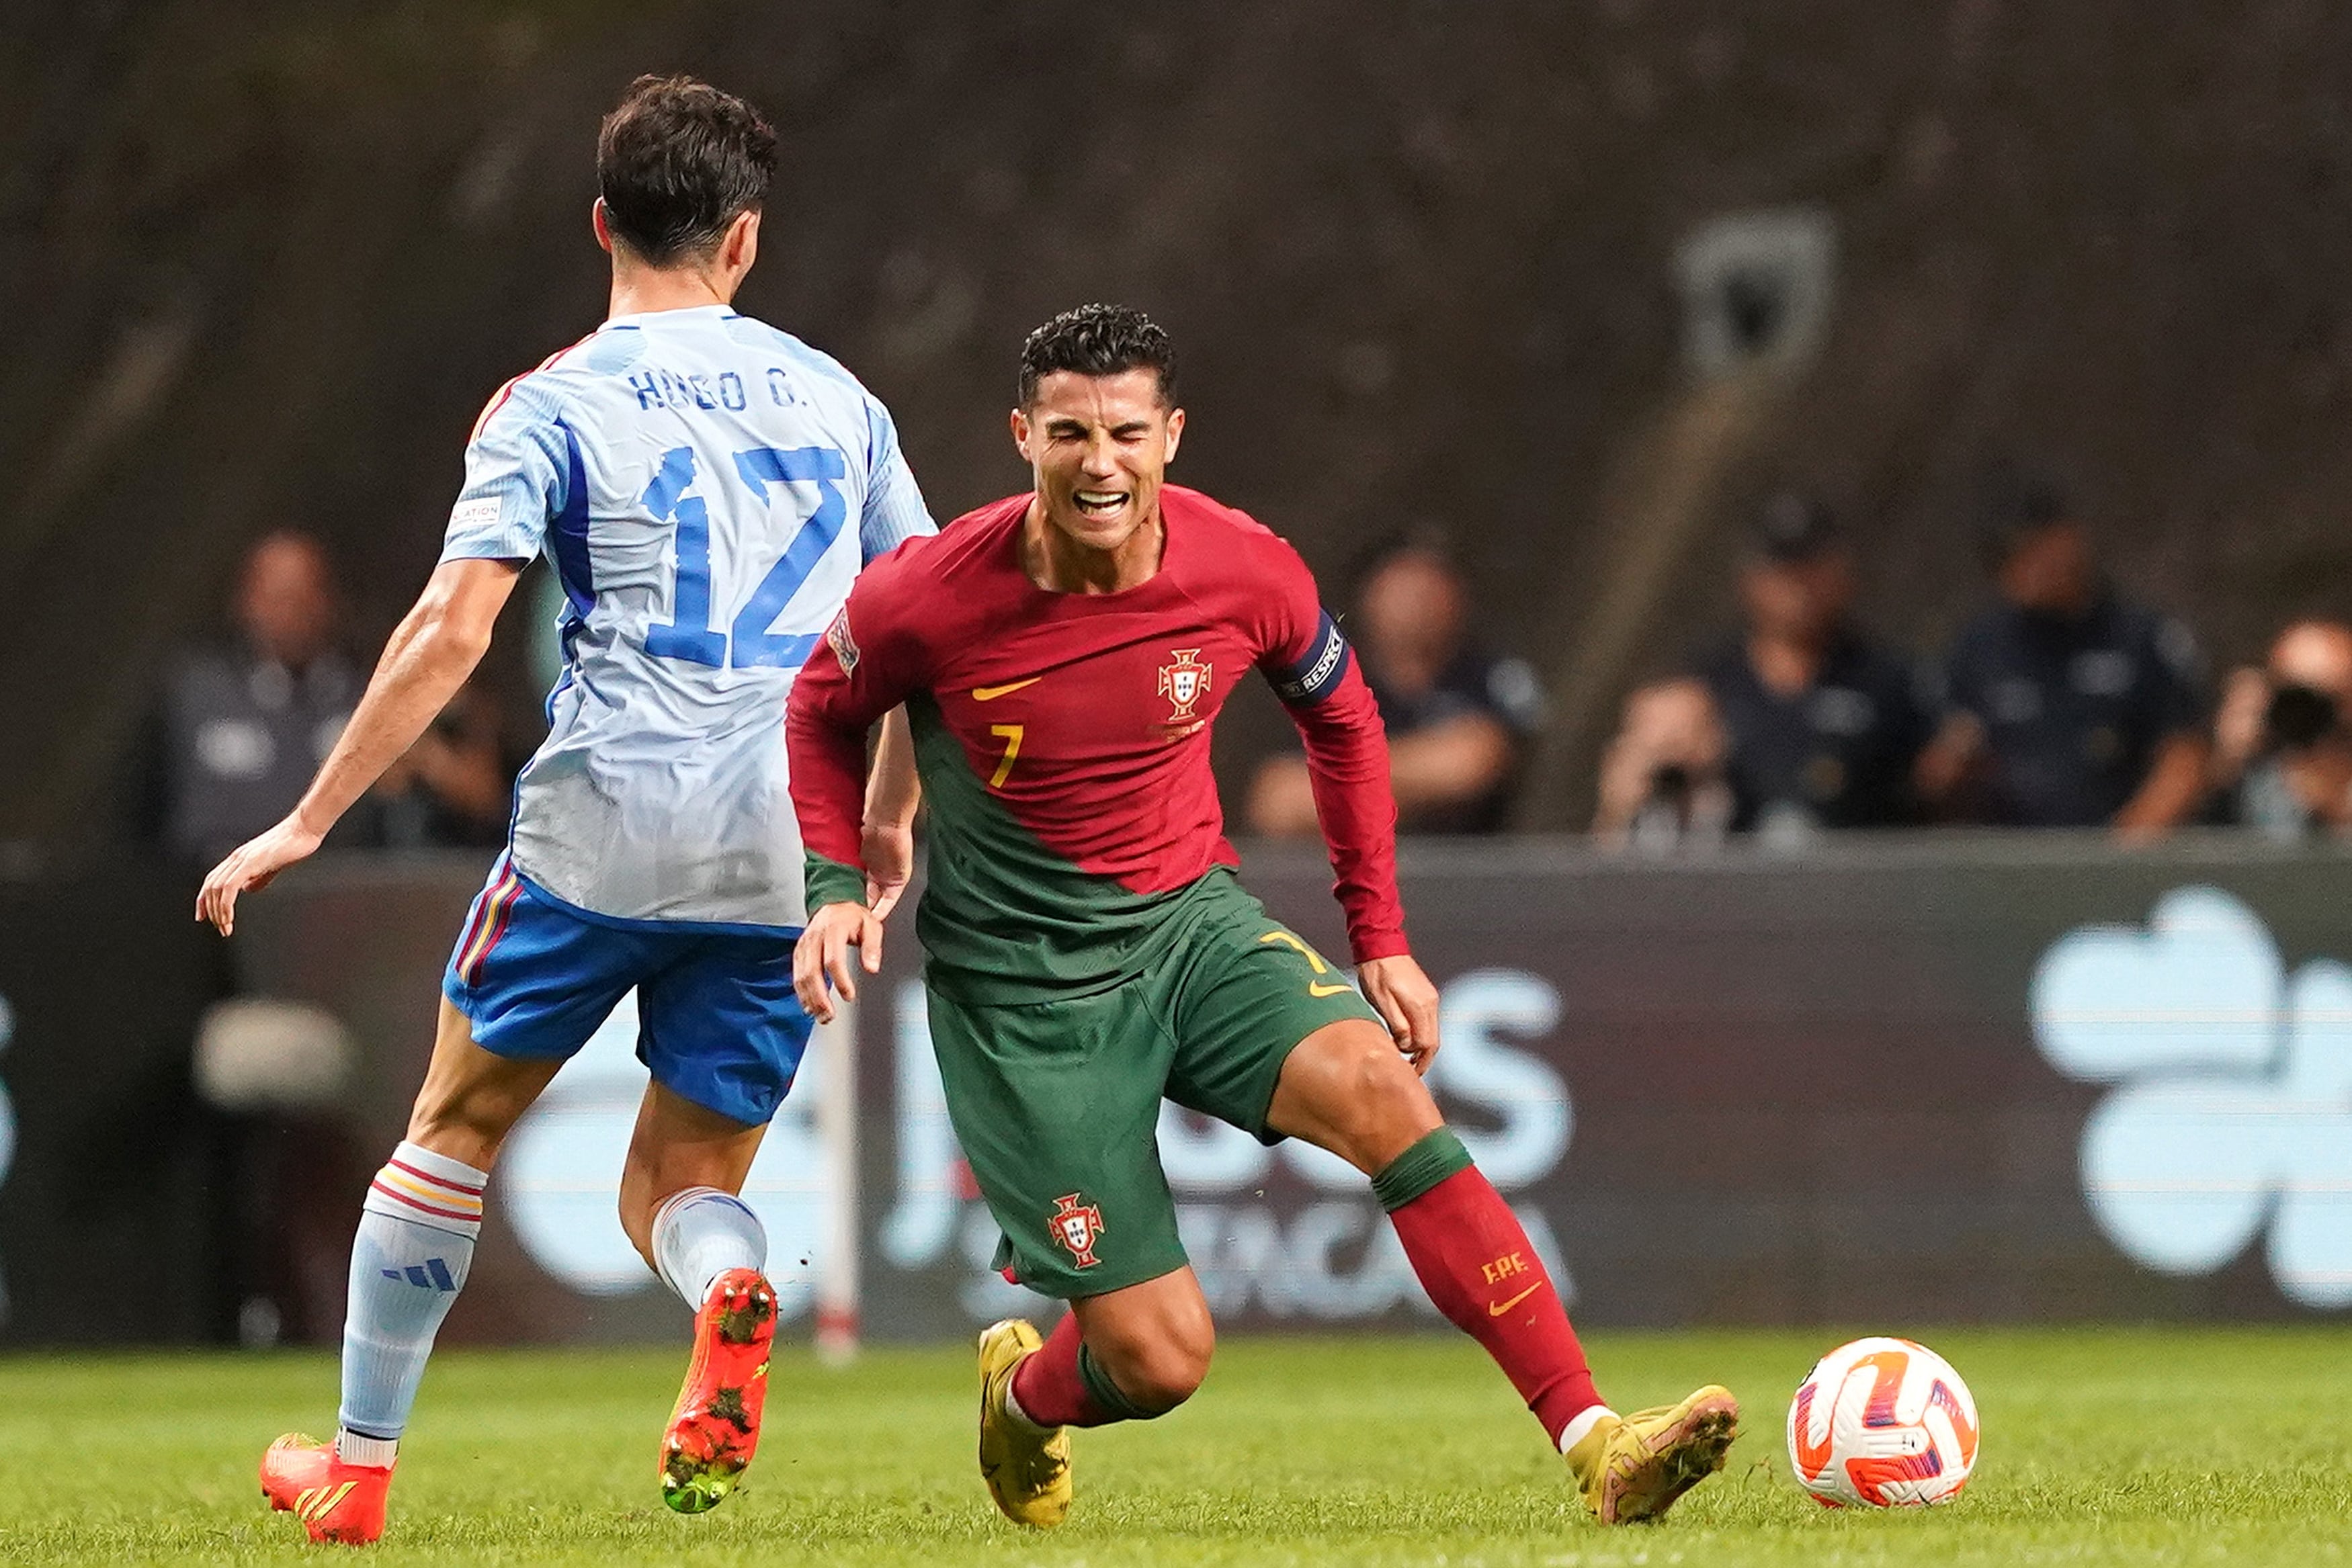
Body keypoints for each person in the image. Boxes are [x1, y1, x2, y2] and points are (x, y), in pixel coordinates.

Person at [785, 304, 1736, 1530]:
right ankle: (1025, 1397)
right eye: (1067, 431)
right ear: (1022, 435)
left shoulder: (1245, 568)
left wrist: (1378, 933)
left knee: (1389, 1095)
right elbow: (820, 708)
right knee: (1163, 1356)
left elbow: (1341, 720)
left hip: (1191, 931)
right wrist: (834, 879)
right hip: (1027, 994)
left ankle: (1597, 1440)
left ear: (1171, 435)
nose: (1099, 461)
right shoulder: (932, 593)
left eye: (1126, 430)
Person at [196, 75, 933, 1544]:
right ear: (744, 241)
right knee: (681, 1178)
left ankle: (356, 1467)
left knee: (452, 1126)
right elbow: (917, 632)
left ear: (602, 223)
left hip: (602, 824)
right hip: (785, 842)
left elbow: (450, 629)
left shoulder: (551, 402)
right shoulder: (840, 402)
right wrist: (887, 826)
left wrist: (309, 817)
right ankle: (729, 1284)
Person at [1598, 496, 1933, 846]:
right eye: (1781, 568)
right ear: (1750, 578)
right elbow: (1627, 830)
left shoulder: (1888, 679)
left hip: (1855, 883)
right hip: (1729, 887)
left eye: (1812, 566)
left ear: (1842, 573)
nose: (1797, 585)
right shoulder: (1706, 683)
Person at [1918, 474, 2209, 836]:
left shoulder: (2141, 638)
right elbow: (1938, 772)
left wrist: (2123, 850)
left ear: (2067, 538)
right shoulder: (1980, 646)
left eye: (2032, 550)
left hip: (2115, 849)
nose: (2026, 570)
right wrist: (1952, 765)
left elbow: (2185, 758)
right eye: (2006, 559)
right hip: (2011, 860)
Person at [1245, 538, 1542, 835]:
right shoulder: (1326, 678)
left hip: (1476, 873)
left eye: (1433, 582)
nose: (1419, 599)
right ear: (1370, 594)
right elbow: (1280, 803)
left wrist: (1336, 781)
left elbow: (1473, 763)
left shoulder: (1492, 675)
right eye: (1403, 583)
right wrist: (1421, 772)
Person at [133, 532, 370, 869]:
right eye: (277, 597)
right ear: (245, 601)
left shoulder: (361, 694)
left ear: (329, 601)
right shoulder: (196, 693)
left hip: (337, 889)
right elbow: (144, 807)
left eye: (303, 598)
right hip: (211, 888)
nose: (291, 613)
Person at [2207, 619, 2352, 839]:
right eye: (2294, 700)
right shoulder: (2250, 781)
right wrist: (2222, 768)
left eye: (2326, 701)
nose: (2307, 717)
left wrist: (2338, 809)